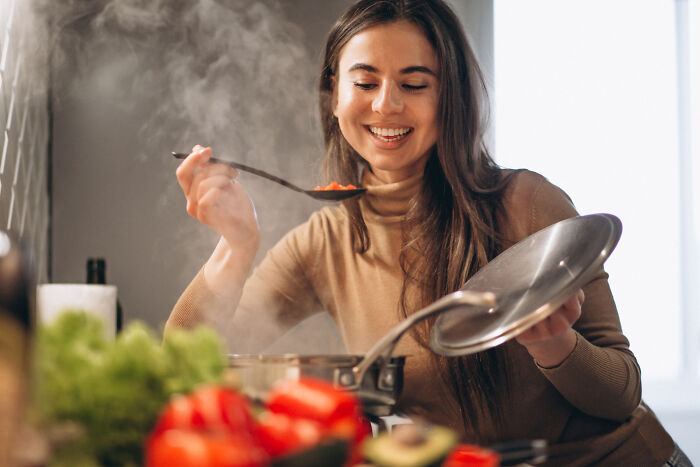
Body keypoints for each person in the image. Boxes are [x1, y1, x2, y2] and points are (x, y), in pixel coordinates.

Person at [165, 0, 691, 465]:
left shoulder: (527, 205)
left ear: (450, 97)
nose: (387, 104)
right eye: (365, 82)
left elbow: (621, 395)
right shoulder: (323, 241)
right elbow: (191, 364)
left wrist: (554, 343)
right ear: (333, 92)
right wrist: (235, 248)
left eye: (414, 84)